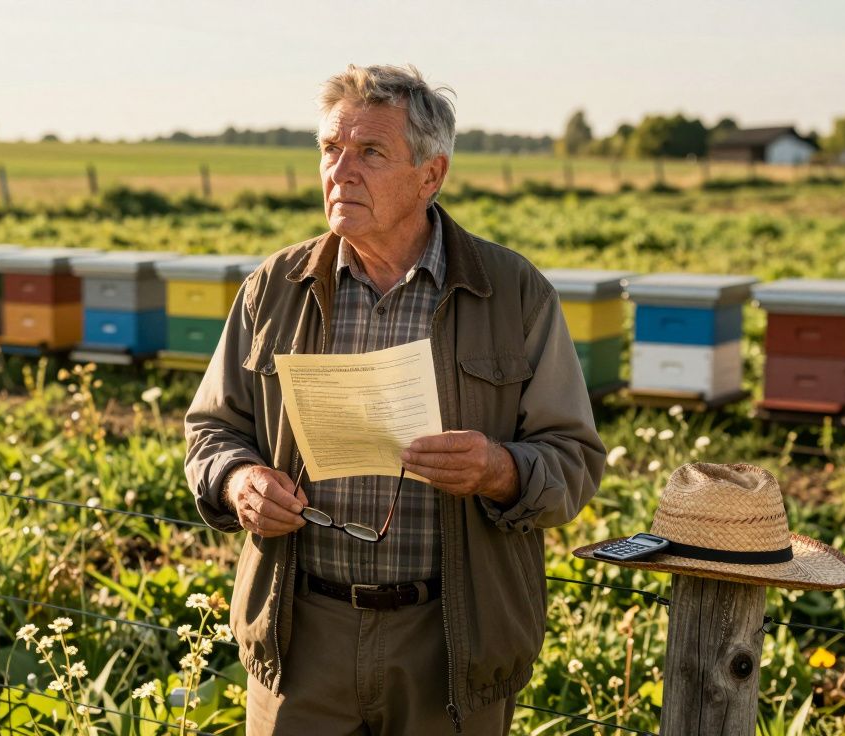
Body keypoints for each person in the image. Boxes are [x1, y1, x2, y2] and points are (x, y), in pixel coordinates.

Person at [184, 64, 605, 735]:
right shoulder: (274, 288)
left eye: (371, 153)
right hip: (301, 639)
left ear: (430, 176)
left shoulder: (513, 292)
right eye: (330, 149)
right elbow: (211, 430)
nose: (340, 171)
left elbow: (575, 462)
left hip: (451, 643)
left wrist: (499, 469)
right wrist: (239, 481)